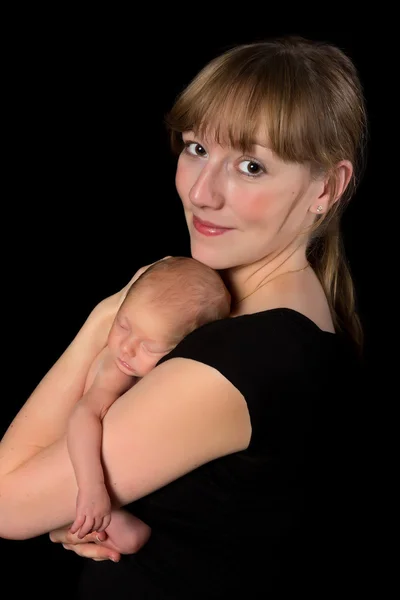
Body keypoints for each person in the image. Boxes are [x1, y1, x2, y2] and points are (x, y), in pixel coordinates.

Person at [0, 34, 368, 597]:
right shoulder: (267, 321)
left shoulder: (242, 361)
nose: (201, 193)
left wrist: (111, 315)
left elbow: (4, 501)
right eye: (196, 148)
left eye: (250, 166)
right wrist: (75, 511)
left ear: (327, 187)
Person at [66, 255, 231, 550]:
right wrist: (91, 488)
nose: (126, 348)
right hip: (80, 462)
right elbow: (82, 415)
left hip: (135, 477)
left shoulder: (178, 377)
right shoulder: (116, 368)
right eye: (123, 325)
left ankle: (63, 526)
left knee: (136, 536)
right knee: (131, 538)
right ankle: (63, 521)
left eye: (148, 346)